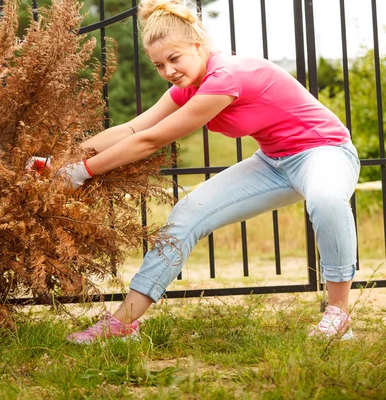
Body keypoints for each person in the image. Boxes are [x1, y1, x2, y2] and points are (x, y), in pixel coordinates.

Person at [48, 0, 360, 343]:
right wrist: (62, 161)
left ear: (198, 46)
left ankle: (338, 314)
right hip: (273, 162)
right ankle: (122, 324)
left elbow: (151, 141)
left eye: (174, 59)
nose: (168, 71)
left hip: (324, 152)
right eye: (159, 65)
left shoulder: (225, 77)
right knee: (186, 214)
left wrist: (82, 173)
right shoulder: (187, 88)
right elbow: (132, 129)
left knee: (326, 198)